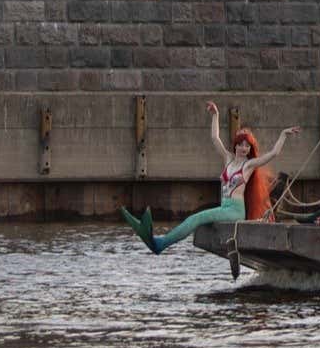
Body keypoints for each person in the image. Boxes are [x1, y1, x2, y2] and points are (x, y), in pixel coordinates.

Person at [121, 101, 296, 254]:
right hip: (224, 207)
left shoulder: (247, 166)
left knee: (194, 219)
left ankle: (160, 244)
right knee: (196, 219)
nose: (244, 148)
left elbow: (273, 154)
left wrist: (283, 135)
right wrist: (216, 115)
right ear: (235, 145)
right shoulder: (228, 159)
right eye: (241, 144)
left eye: (247, 146)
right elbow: (214, 138)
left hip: (234, 211)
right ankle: (156, 240)